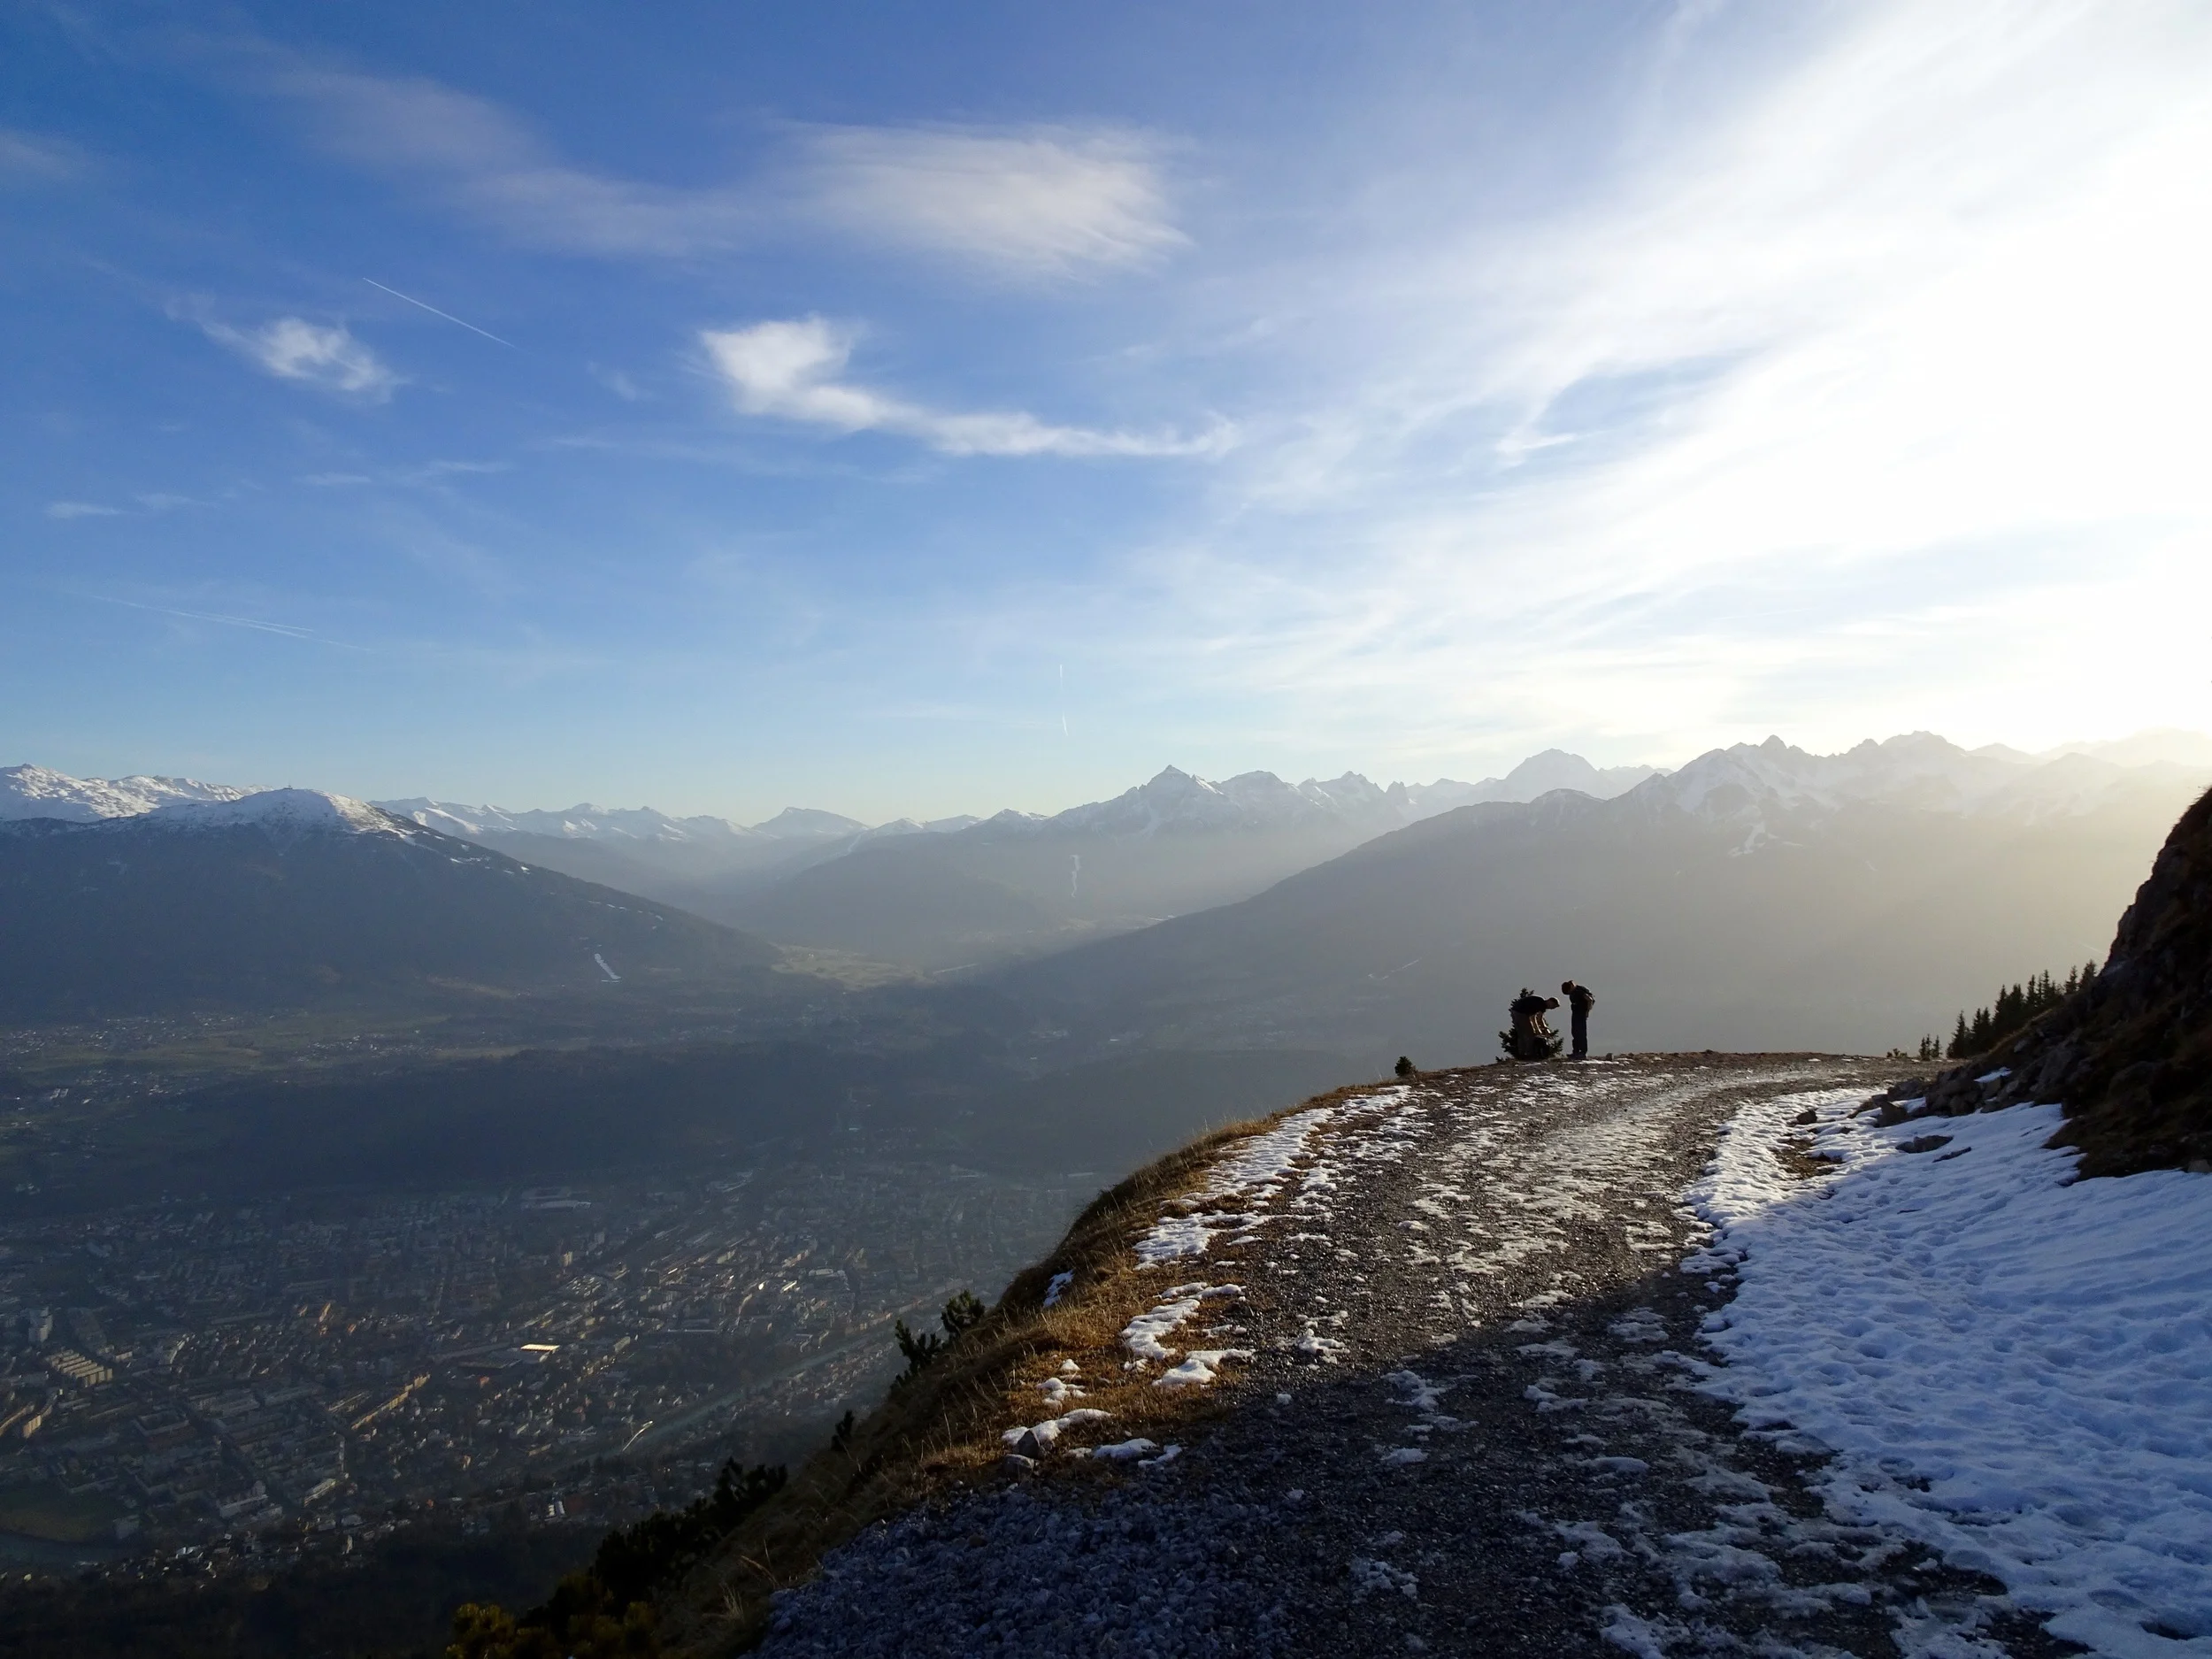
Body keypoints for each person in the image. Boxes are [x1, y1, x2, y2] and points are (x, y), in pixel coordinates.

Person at [1508, 987, 1561, 1060]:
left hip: (1515, 1011)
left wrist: (1538, 1030)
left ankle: (1521, 1054)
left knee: (1521, 1034)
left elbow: (1535, 1019)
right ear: (1550, 1001)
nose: (1552, 1008)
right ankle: (1529, 1054)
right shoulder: (1542, 1004)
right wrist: (1544, 1030)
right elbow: (1537, 1019)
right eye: (1553, 1006)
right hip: (1521, 1013)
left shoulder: (1540, 1002)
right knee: (1530, 1034)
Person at [1561, 979, 1595, 1060]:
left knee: (1581, 1033)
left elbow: (1589, 1000)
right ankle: (1576, 1051)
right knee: (1575, 1032)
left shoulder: (1579, 992)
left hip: (1581, 1013)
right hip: (1576, 1012)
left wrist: (1587, 1012)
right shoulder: (1574, 991)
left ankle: (1582, 1052)